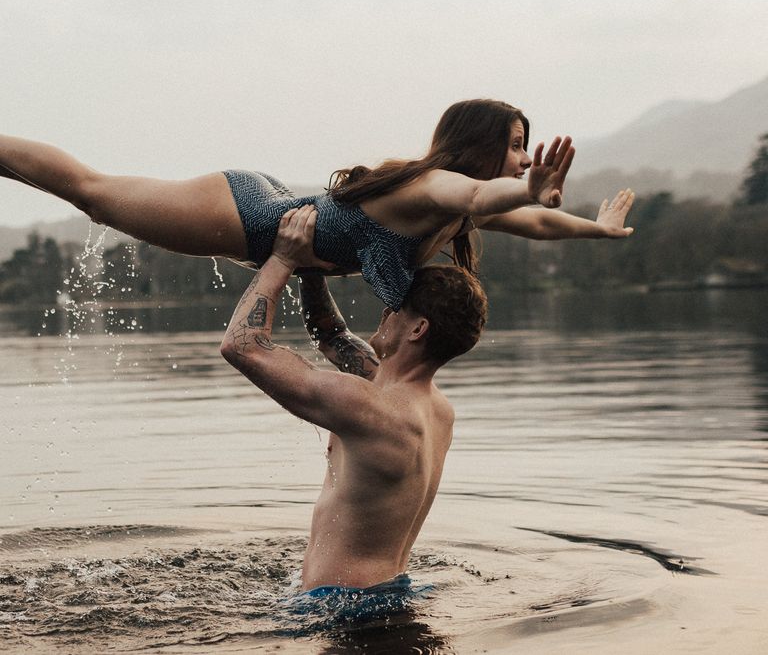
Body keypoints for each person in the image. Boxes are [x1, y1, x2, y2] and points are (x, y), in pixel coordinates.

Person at [0, 99, 634, 309]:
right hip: (246, 214)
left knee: (95, 198)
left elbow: (535, 221)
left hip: (276, 205)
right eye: (518, 148)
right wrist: (528, 185)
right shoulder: (436, 188)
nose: (526, 159)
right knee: (95, 196)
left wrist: (596, 231)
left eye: (528, 151)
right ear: (480, 146)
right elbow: (485, 192)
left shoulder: (459, 210)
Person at [220, 205, 488, 592]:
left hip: (345, 611)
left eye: (396, 307)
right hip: (385, 595)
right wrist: (310, 267)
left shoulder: (371, 408)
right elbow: (332, 337)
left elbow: (242, 347)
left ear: (417, 329)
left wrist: (282, 258)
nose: (385, 311)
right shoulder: (434, 410)